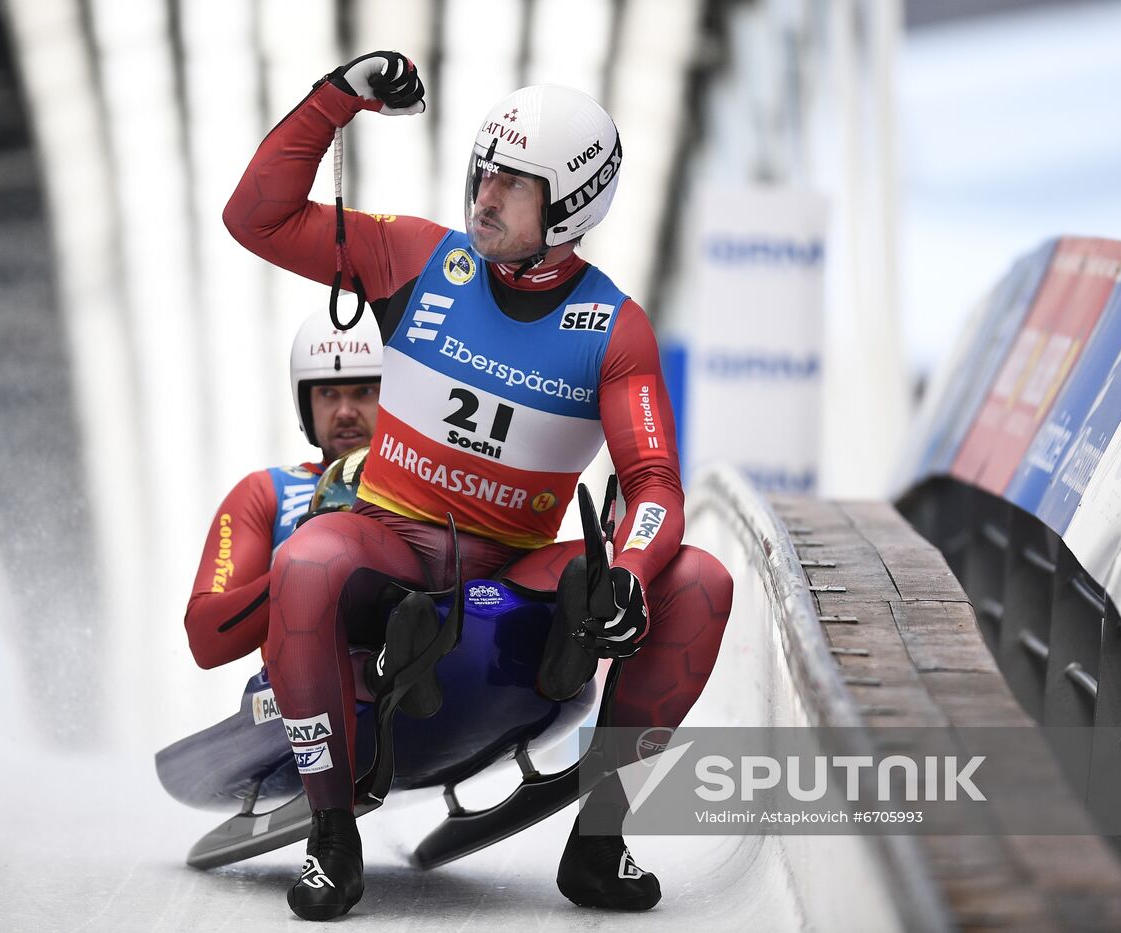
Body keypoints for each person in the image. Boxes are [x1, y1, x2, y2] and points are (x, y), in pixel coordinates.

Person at [224, 50, 734, 921]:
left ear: (571, 204)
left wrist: (631, 575)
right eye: (483, 173)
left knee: (700, 585)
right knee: (309, 562)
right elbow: (256, 219)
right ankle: (331, 833)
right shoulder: (416, 257)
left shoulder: (612, 329)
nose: (484, 197)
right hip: (392, 538)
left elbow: (653, 483)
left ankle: (600, 842)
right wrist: (333, 103)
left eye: (513, 184)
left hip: (519, 563)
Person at [184, 312, 381, 670]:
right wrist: (300, 572)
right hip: (302, 695)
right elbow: (204, 639)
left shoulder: (429, 482)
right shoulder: (265, 492)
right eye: (328, 394)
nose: (346, 411)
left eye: (364, 391)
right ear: (306, 404)